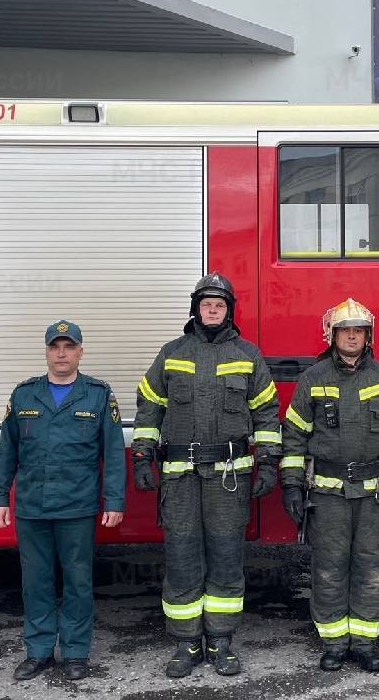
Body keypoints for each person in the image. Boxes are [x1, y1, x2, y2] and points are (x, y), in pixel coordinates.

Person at [132, 273, 281, 678]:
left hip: (229, 478)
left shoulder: (248, 355)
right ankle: (186, 643)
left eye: (219, 304)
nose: (212, 310)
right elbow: (149, 407)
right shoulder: (172, 353)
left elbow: (267, 414)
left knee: (226, 557)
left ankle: (221, 640)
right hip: (179, 478)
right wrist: (143, 455)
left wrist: (268, 462)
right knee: (181, 557)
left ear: (229, 310)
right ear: (195, 308)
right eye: (206, 304)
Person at [279, 298, 379, 673]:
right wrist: (292, 484)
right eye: (345, 330)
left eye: (358, 330)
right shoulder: (314, 379)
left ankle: (365, 642)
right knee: (328, 569)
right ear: (332, 335)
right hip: (328, 496)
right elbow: (293, 437)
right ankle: (334, 644)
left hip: (376, 495)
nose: (352, 336)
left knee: (371, 569)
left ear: (368, 336)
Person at [0, 320, 127, 682]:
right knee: (35, 581)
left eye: (68, 346)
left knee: (78, 581)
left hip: (77, 506)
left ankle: (75, 652)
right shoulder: (24, 395)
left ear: (81, 351)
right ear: (47, 351)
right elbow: (8, 451)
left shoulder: (98, 395)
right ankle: (38, 651)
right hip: (32, 507)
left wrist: (114, 501)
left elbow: (113, 454)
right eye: (55, 346)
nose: (61, 353)